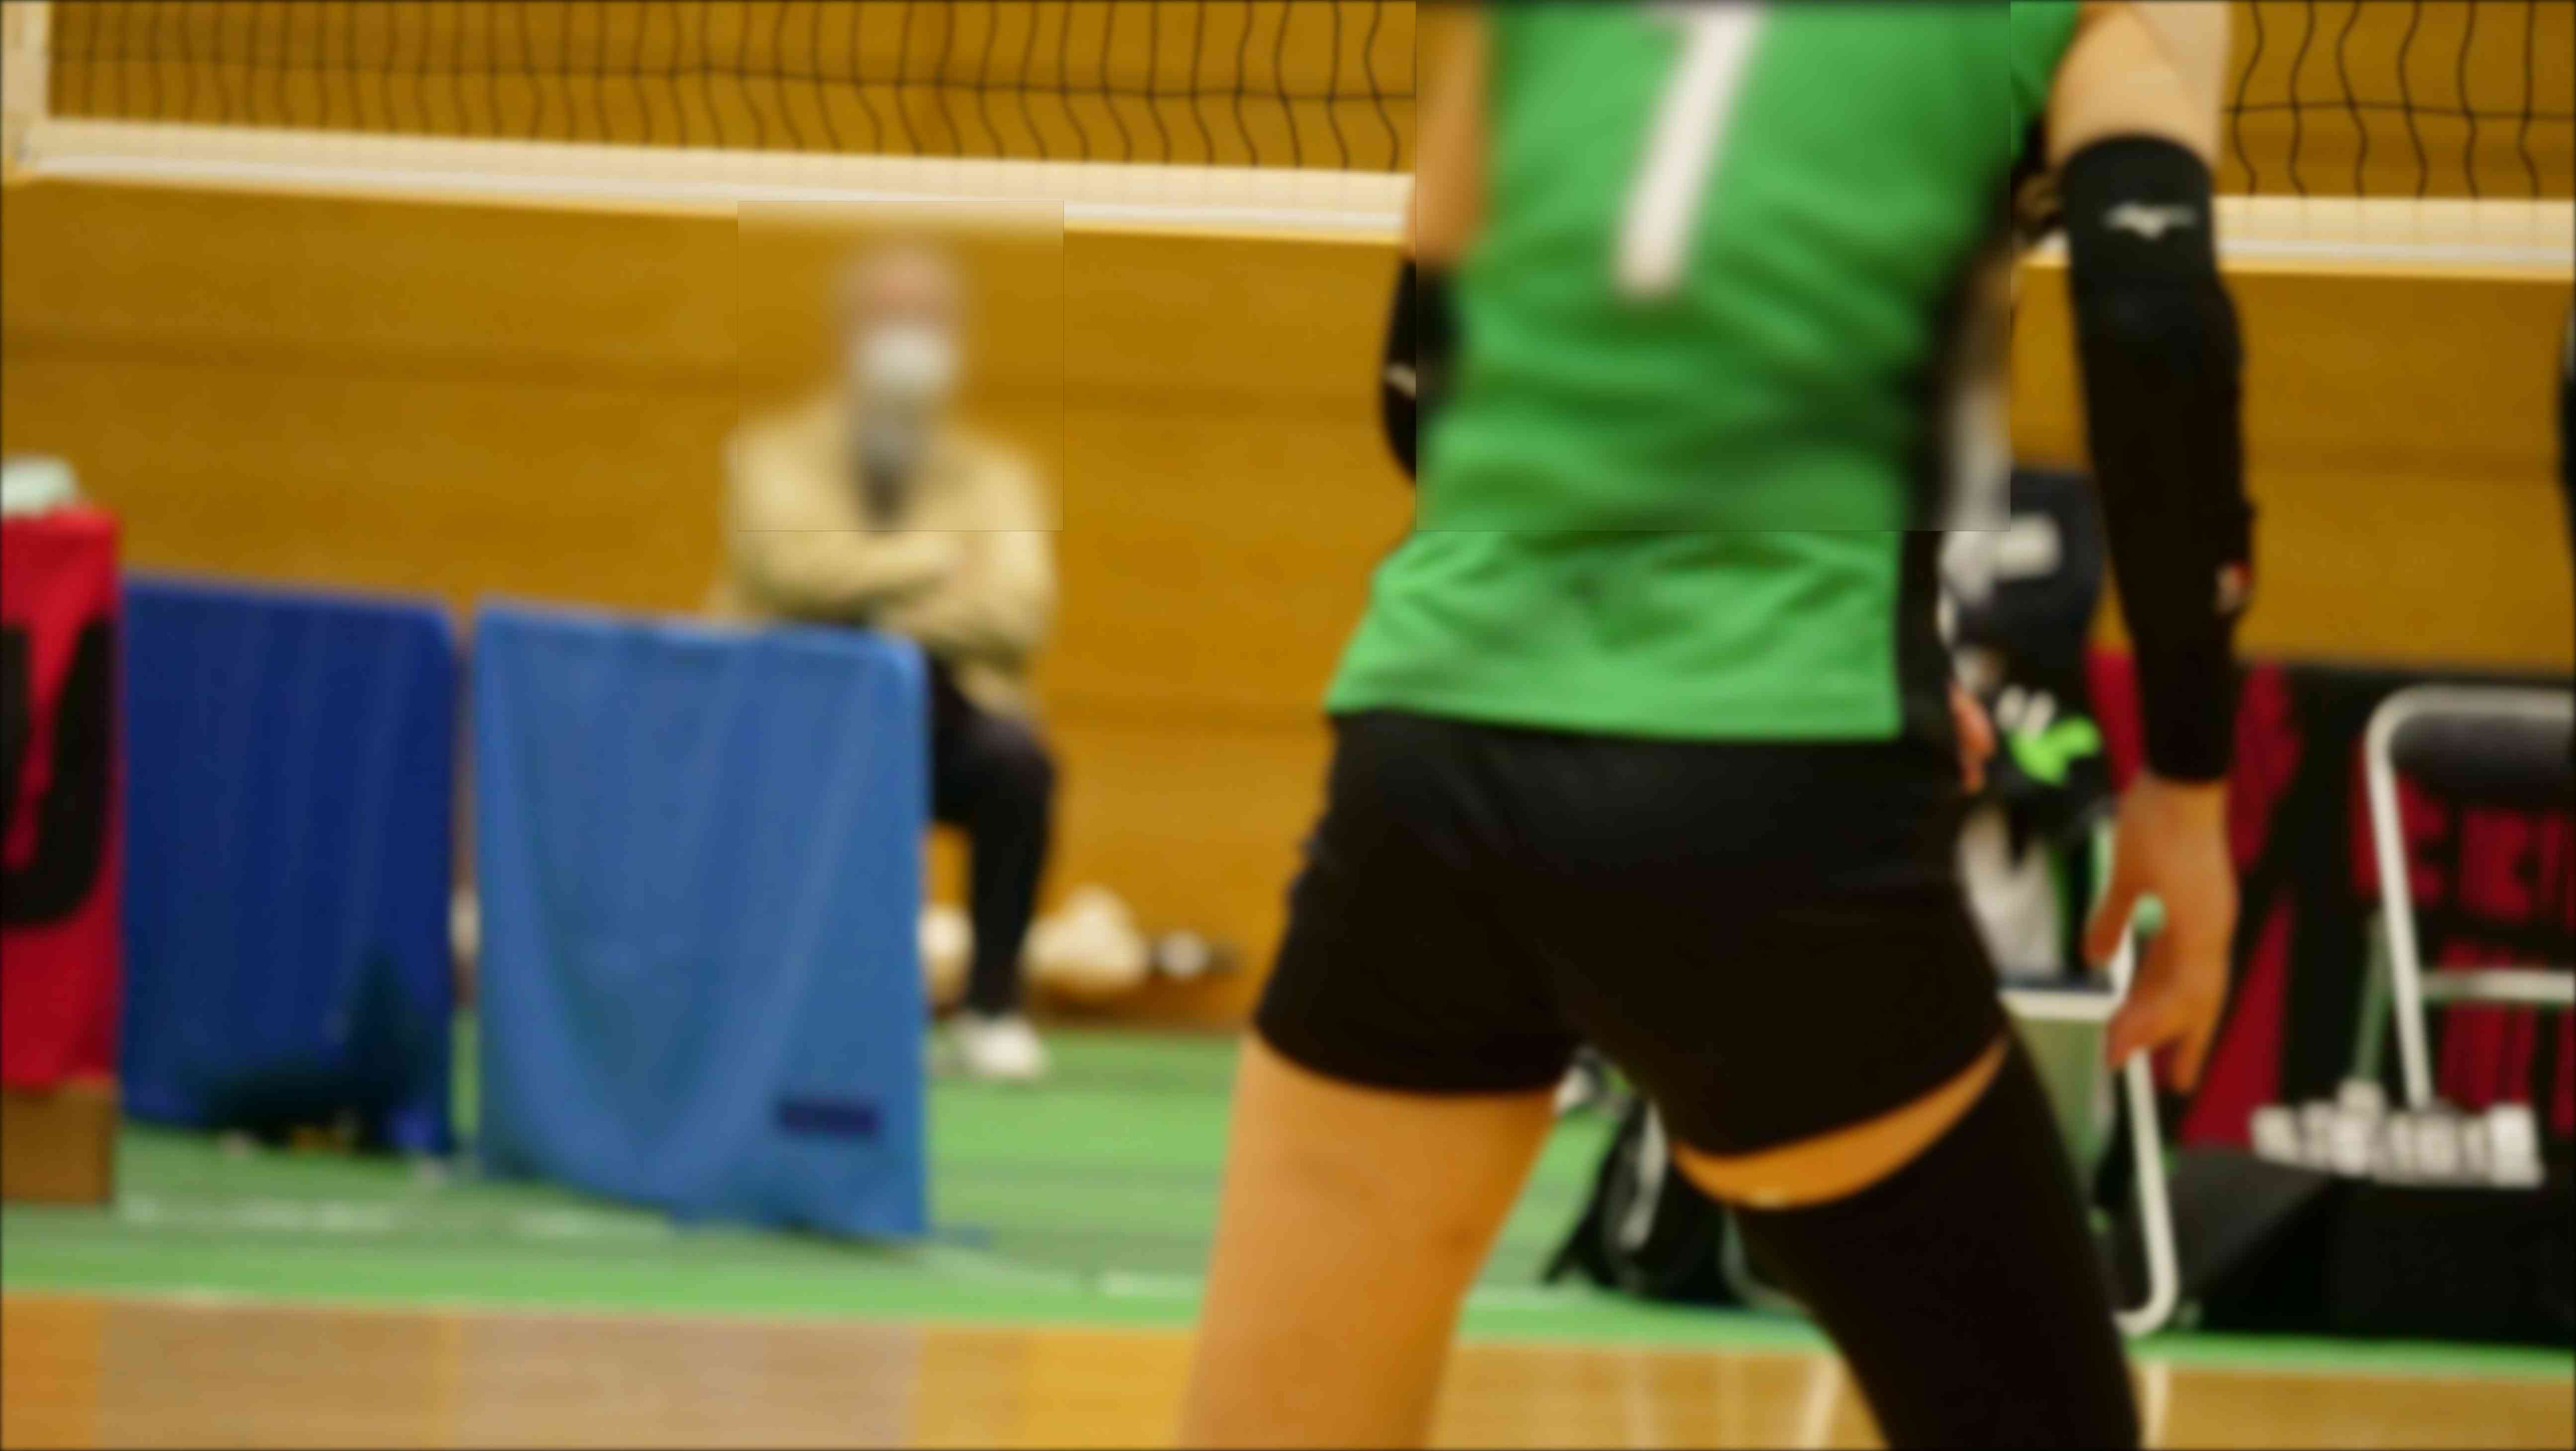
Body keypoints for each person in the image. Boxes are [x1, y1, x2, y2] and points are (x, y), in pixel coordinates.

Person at [1181, 3, 2251, 1446]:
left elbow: (1421, 387)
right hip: (1774, 789)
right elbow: (2153, 325)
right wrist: (2186, 779)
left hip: (1432, 759)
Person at [709, 242, 1060, 1083]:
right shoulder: (771, 452)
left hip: (940, 705)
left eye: (926, 319)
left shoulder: (998, 474)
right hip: (793, 701)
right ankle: (781, 1003)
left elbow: (1020, 610)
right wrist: (939, 560)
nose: (908, 337)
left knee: (1018, 766)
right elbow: (785, 569)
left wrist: (860, 590)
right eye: (890, 316)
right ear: (848, 328)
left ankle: (991, 1010)